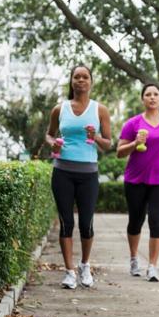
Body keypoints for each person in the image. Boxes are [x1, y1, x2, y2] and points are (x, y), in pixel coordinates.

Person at [46, 64, 112, 289]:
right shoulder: (59, 109)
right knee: (66, 223)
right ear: (72, 81)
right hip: (62, 172)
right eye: (77, 77)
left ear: (91, 82)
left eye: (85, 77)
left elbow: (108, 144)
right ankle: (69, 272)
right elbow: (48, 135)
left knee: (86, 223)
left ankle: (85, 265)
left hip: (88, 174)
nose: (81, 80)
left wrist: (96, 137)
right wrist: (52, 142)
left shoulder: (100, 110)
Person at [116, 83, 159, 282]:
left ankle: (153, 266)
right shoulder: (133, 124)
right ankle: (133, 259)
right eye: (148, 94)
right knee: (136, 221)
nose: (152, 97)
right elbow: (120, 152)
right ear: (143, 99)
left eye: (156, 94)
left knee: (157, 221)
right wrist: (134, 143)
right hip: (135, 179)